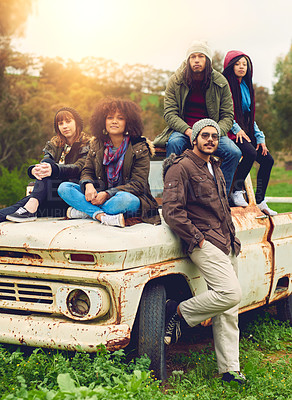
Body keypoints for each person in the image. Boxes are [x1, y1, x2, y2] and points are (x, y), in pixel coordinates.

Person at [162, 118, 246, 384]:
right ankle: (178, 312)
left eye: (214, 136)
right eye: (205, 135)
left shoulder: (216, 167)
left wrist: (232, 237)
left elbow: (222, 208)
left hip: (226, 241)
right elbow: (172, 212)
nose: (210, 140)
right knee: (230, 293)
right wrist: (197, 240)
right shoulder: (181, 167)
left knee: (229, 310)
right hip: (203, 242)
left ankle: (229, 370)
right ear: (194, 138)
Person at [153, 40, 241, 195]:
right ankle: (173, 194)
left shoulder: (220, 82)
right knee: (174, 144)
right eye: (193, 57)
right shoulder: (176, 81)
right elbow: (169, 113)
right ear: (188, 60)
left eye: (201, 56)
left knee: (234, 152)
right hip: (184, 130)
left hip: (211, 132)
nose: (197, 60)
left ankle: (220, 196)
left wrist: (214, 133)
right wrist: (188, 131)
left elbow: (228, 115)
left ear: (207, 60)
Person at [57, 98, 161, 227]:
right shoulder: (96, 144)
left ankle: (85, 211)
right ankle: (101, 216)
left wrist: (107, 194)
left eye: (120, 118)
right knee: (64, 188)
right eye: (110, 117)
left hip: (130, 198)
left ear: (128, 122)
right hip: (99, 194)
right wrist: (88, 185)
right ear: (103, 121)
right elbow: (87, 170)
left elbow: (138, 184)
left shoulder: (140, 147)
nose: (114, 121)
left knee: (123, 200)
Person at [0, 107, 91, 223]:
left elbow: (79, 167)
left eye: (68, 121)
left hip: (71, 193)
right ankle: (31, 205)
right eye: (60, 123)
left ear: (77, 123)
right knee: (22, 204)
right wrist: (33, 170)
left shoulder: (88, 144)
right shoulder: (54, 144)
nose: (64, 126)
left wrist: (54, 170)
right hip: (48, 193)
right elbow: (46, 162)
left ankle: (32, 205)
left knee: (25, 203)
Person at [223, 51, 277, 215]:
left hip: (246, 131)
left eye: (244, 64)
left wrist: (260, 137)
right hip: (231, 130)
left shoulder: (246, 86)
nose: (241, 67)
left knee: (267, 160)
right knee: (249, 153)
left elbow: (249, 116)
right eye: (237, 64)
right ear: (230, 66)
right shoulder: (226, 85)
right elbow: (223, 112)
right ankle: (236, 190)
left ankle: (260, 200)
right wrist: (235, 128)